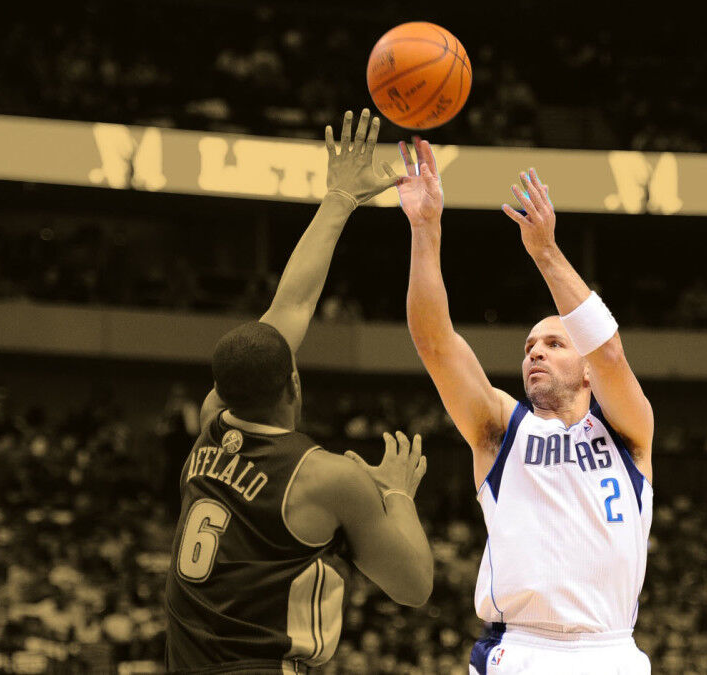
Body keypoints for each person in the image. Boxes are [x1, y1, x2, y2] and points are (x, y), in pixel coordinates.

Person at [165, 110, 434, 674]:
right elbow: (414, 585)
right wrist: (397, 491)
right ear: (292, 381)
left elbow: (290, 307)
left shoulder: (214, 419)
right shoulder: (325, 476)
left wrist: (340, 197)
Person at [397, 138, 655, 674]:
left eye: (555, 343)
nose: (535, 350)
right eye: (529, 347)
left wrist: (545, 251)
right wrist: (425, 230)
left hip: (612, 652)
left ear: (585, 369)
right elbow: (435, 344)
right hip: (522, 651)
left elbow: (609, 349)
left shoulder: (629, 431)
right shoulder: (499, 428)